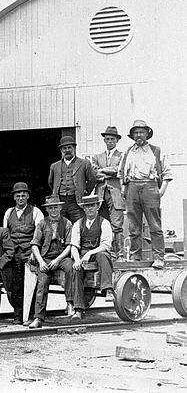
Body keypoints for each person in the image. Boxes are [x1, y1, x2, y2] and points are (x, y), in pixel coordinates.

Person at [118, 120, 173, 269]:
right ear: (132, 135)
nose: (139, 135)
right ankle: (136, 258)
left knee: (155, 225)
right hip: (132, 187)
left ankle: (159, 258)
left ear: (147, 134)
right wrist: (124, 190)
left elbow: (167, 173)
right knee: (134, 226)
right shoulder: (128, 151)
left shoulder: (156, 151)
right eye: (136, 132)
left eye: (142, 132)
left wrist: (161, 191)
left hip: (150, 186)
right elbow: (121, 172)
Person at [26, 196, 74, 329]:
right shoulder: (42, 223)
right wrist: (41, 262)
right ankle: (38, 317)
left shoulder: (67, 223)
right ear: (47, 209)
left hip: (62, 256)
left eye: (55, 207)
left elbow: (70, 245)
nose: (53, 210)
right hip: (46, 257)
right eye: (50, 208)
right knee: (42, 282)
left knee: (71, 268)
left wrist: (58, 260)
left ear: (60, 208)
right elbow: (35, 245)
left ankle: (70, 303)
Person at [2, 182, 44, 324]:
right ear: (14, 197)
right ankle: (18, 316)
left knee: (31, 285)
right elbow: (5, 235)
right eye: (18, 196)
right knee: (16, 285)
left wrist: (34, 253)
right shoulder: (8, 213)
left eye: (23, 195)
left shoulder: (36, 212)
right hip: (14, 254)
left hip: (29, 253)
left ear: (27, 196)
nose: (20, 198)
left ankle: (31, 315)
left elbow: (39, 234)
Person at [70, 195, 115, 320]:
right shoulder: (78, 224)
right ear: (83, 209)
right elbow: (74, 245)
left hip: (97, 253)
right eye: (87, 206)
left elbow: (106, 245)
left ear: (97, 207)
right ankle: (78, 309)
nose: (89, 209)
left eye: (92, 206)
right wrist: (77, 259)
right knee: (76, 268)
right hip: (82, 255)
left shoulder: (104, 223)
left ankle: (108, 290)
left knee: (103, 254)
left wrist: (90, 253)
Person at [91, 126, 126, 261]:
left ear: (117, 140)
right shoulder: (97, 157)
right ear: (104, 140)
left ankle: (120, 255)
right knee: (101, 224)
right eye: (107, 139)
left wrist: (103, 171)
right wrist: (109, 173)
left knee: (117, 225)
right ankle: (105, 253)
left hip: (115, 195)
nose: (110, 141)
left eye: (112, 139)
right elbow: (94, 174)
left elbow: (119, 170)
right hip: (100, 194)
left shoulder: (122, 156)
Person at [48, 135, 97, 223]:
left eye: (69, 147)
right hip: (60, 201)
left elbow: (92, 179)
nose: (67, 150)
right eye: (64, 148)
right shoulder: (54, 166)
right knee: (61, 226)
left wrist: (85, 192)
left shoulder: (84, 163)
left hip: (76, 201)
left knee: (78, 225)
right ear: (61, 150)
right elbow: (51, 182)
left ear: (74, 148)